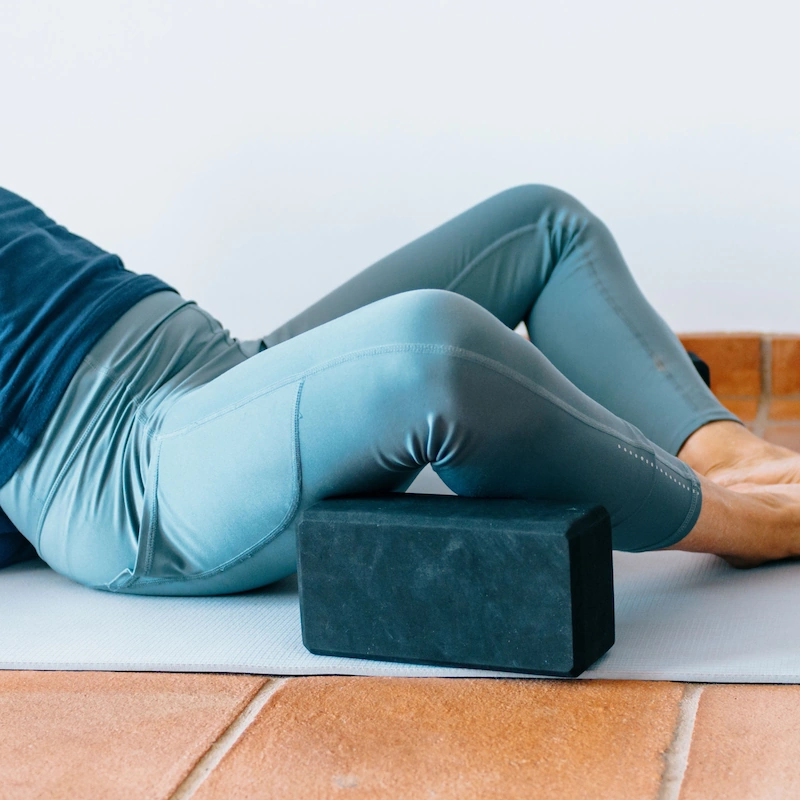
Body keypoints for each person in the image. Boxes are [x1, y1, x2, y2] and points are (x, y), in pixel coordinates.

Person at [1, 183, 798, 597]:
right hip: (128, 474)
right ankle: (737, 519)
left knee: (542, 225)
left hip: (215, 363)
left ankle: (727, 451)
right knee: (432, 351)